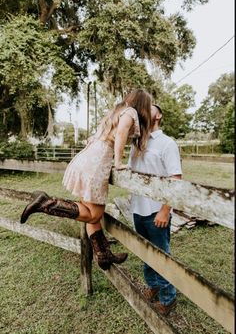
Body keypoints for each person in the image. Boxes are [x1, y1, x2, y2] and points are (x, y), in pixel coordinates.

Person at [20, 89, 152, 271]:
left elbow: (94, 137)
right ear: (142, 104)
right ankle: (46, 203)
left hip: (88, 157)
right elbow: (121, 134)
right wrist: (119, 162)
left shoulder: (116, 111)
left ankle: (104, 255)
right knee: (94, 214)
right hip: (97, 161)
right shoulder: (130, 112)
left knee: (90, 216)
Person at [128, 104, 182, 316]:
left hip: (156, 211)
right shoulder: (136, 143)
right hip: (137, 209)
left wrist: (165, 211)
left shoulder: (167, 144)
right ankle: (154, 286)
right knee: (146, 253)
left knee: (161, 255)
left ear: (158, 115)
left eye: (149, 107)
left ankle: (168, 298)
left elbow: (175, 180)